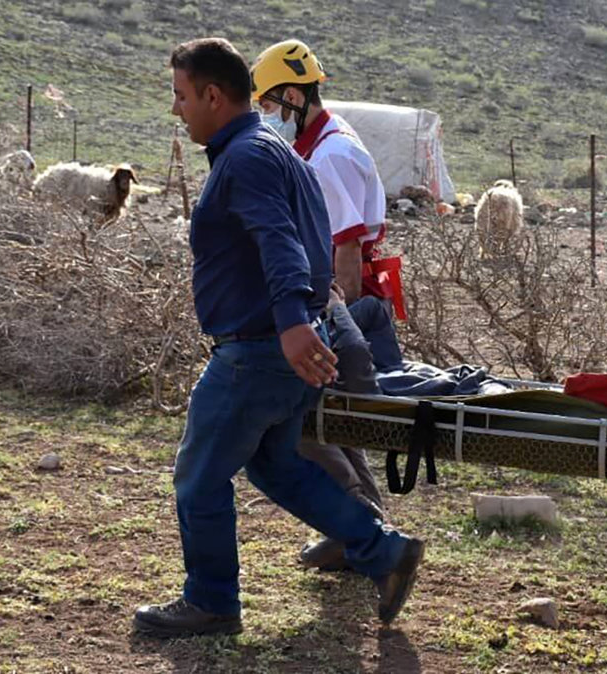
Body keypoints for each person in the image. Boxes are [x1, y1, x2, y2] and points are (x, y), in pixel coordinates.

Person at [133, 38, 423, 638]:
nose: (177, 110)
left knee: (198, 474)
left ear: (213, 95)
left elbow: (282, 243)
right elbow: (313, 239)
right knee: (277, 467)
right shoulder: (273, 149)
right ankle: (384, 552)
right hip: (279, 345)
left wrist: (293, 324)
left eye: (181, 97)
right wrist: (307, 320)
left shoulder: (247, 158)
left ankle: (211, 601)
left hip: (259, 348)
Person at [250, 39, 401, 571]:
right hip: (337, 300)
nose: (266, 117)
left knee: (308, 429)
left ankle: (358, 531)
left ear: (293, 95)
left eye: (269, 105)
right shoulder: (318, 145)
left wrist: (331, 324)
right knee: (333, 424)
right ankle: (363, 531)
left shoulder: (330, 155)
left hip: (341, 300)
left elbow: (346, 249)